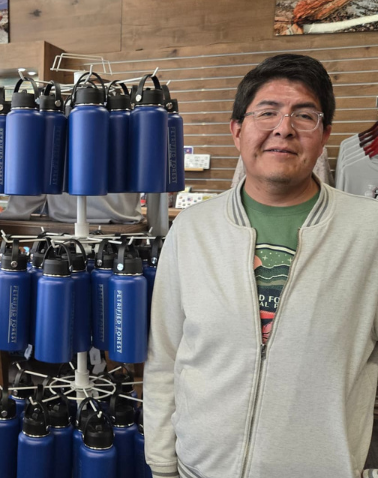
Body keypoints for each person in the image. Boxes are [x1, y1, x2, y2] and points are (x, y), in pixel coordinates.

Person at [144, 54, 378, 478]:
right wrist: (162, 464)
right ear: (237, 131)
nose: (283, 128)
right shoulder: (192, 229)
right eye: (267, 112)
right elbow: (165, 357)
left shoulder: (369, 231)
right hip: (199, 469)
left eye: (303, 115)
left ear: (324, 134)